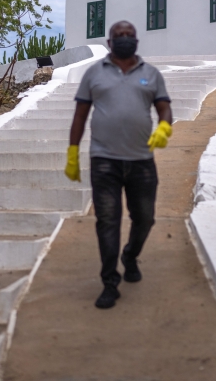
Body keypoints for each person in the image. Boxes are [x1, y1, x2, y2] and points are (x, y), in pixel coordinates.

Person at [65, 20, 173, 309]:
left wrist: (165, 126)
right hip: (104, 161)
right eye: (118, 36)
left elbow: (164, 107)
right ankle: (109, 282)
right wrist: (73, 152)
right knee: (108, 222)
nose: (124, 39)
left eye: (129, 35)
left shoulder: (151, 74)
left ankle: (130, 255)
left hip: (141, 161)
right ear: (109, 43)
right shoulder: (93, 74)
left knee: (145, 218)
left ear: (136, 40)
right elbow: (80, 116)